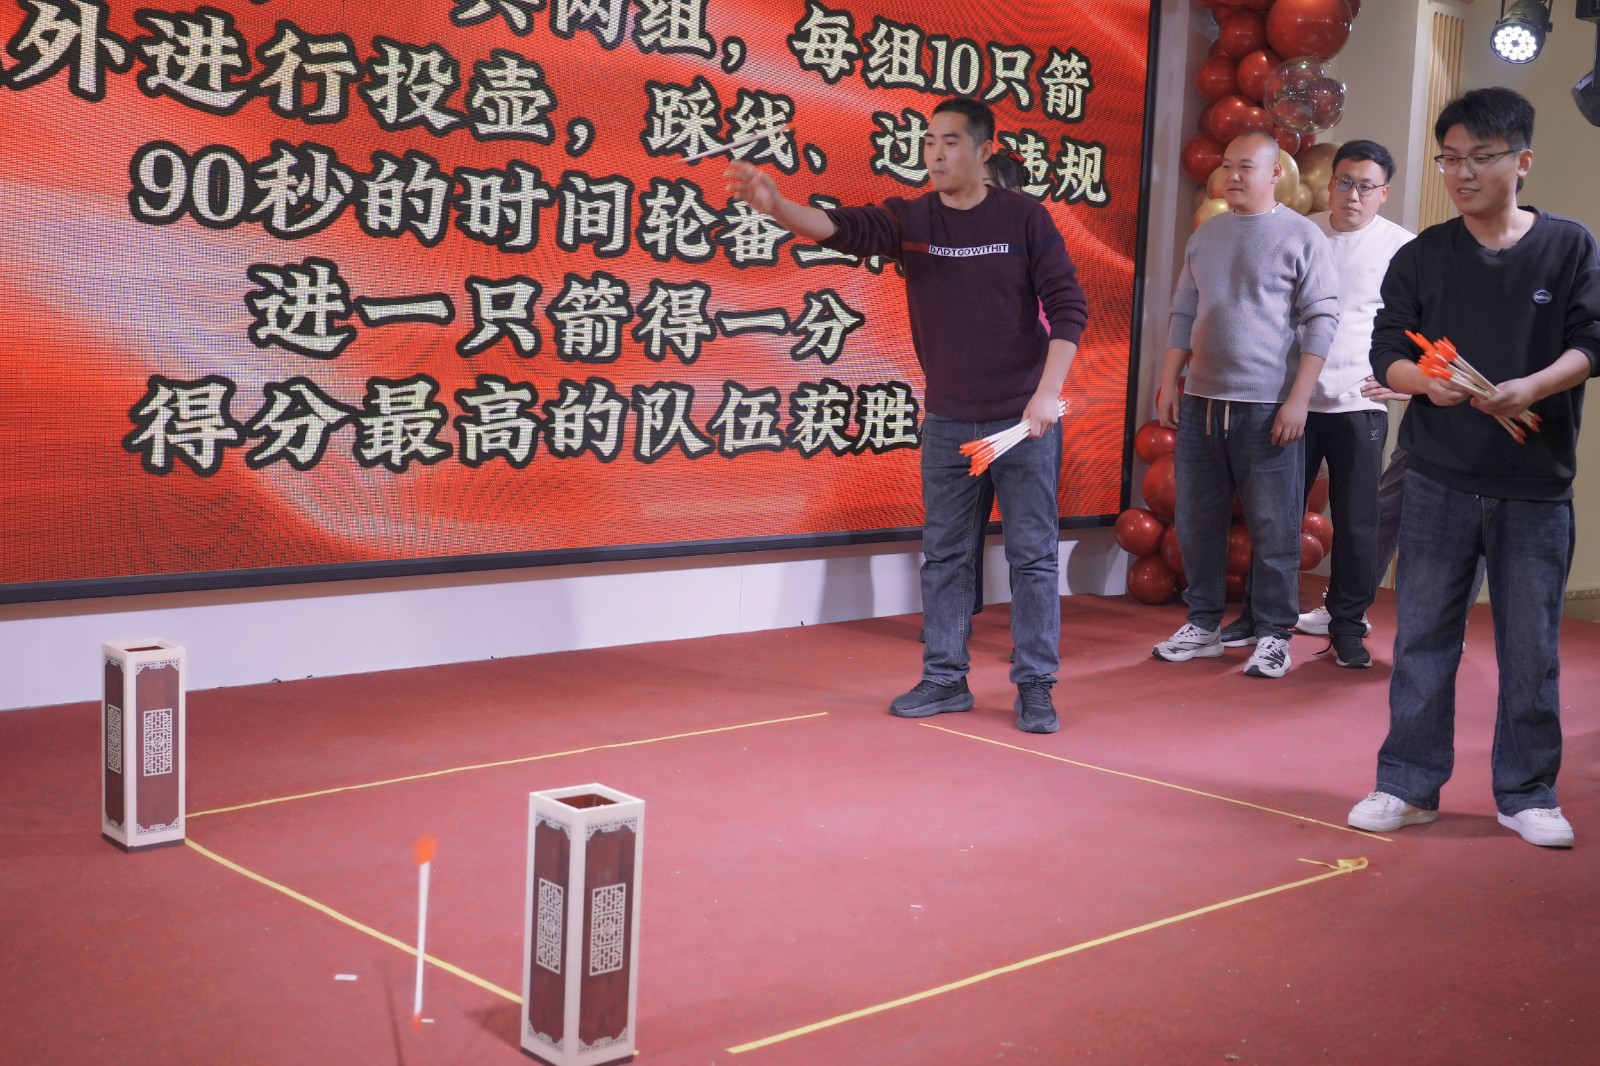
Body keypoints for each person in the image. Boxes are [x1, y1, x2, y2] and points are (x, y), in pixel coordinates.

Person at [726, 98, 1088, 733]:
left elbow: (1068, 308)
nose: (935, 155)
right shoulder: (912, 219)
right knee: (945, 556)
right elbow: (840, 229)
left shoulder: (1024, 217)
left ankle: (1036, 685)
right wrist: (777, 207)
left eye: (950, 142)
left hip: (1020, 424)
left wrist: (1045, 393)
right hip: (948, 420)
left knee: (1031, 558)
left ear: (984, 149)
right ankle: (945, 678)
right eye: (929, 142)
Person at [1347, 87, 1600, 848]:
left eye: (1480, 158)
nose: (1462, 173)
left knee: (1531, 649)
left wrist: (1533, 387)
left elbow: (1593, 340)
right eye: (1449, 159)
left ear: (1522, 162)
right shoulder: (1423, 254)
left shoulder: (1569, 246)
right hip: (1438, 476)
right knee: (1423, 639)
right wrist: (1427, 385)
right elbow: (1388, 350)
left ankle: (1527, 793)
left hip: (1535, 484)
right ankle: (1407, 784)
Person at [1151, 130, 1338, 678]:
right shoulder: (1208, 234)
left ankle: (1274, 633)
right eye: (1227, 165)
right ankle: (1204, 624)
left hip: (1267, 407)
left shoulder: (1302, 235)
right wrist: (1169, 381)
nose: (1231, 176)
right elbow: (1184, 312)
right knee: (1197, 522)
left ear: (1276, 172)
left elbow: (1321, 320)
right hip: (1201, 401)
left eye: (1244, 166)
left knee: (1275, 528)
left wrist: (1298, 399)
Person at [1219, 140, 1414, 669]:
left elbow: (1425, 322)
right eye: (1345, 182)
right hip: (1290, 402)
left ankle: (1346, 625)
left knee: (1358, 523)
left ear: (1383, 193)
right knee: (1274, 517)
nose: (1353, 195)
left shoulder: (1403, 247)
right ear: (1330, 183)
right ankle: (1259, 616)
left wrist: (1407, 383)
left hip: (1358, 403)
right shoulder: (1300, 231)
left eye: (1366, 186)